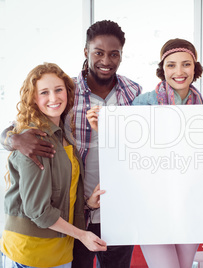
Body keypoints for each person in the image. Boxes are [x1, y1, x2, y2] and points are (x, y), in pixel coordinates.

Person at [0, 20, 142, 267]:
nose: (106, 61)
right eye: (98, 52)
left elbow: (145, 141)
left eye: (114, 54)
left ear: (121, 55)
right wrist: (14, 139)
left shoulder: (133, 91)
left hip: (120, 208)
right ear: (86, 52)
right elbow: (22, 124)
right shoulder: (66, 92)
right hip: (76, 213)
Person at [87, 38, 203, 268]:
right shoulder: (143, 103)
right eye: (171, 65)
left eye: (186, 64)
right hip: (152, 207)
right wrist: (105, 130)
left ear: (195, 67)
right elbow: (128, 152)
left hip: (190, 207)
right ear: (162, 69)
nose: (179, 71)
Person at [0, 63, 107, 268]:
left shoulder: (64, 135)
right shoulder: (33, 139)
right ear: (33, 98)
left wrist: (88, 203)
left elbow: (61, 193)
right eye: (44, 92)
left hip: (59, 250)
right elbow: (38, 211)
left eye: (58, 90)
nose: (53, 98)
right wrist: (83, 235)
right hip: (31, 252)